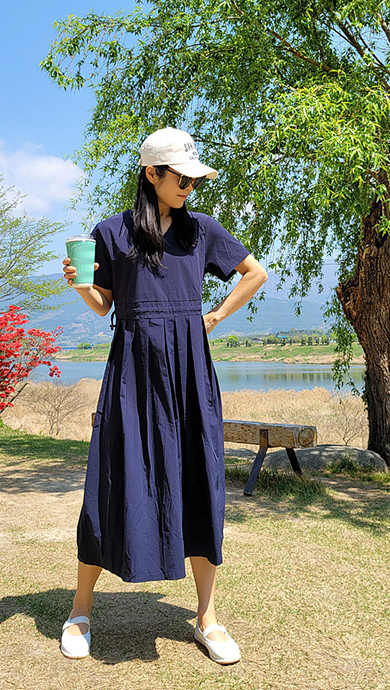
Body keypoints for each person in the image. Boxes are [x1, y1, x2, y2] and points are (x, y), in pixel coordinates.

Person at [60, 127, 267, 665]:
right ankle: (80, 611)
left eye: (194, 180)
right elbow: (104, 305)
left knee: (200, 478)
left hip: (189, 371)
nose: (189, 187)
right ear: (151, 174)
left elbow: (254, 273)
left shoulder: (202, 230)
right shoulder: (112, 232)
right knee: (111, 476)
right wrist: (81, 285)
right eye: (182, 178)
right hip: (131, 368)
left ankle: (208, 618)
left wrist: (213, 317)